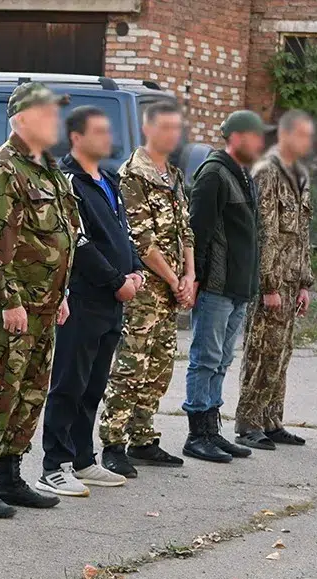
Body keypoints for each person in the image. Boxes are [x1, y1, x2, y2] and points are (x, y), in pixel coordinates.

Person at [0, 82, 78, 516]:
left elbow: (61, 234)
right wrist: (7, 300)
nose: (56, 122)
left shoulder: (49, 168)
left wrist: (61, 294)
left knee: (31, 391)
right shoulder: (3, 168)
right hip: (13, 305)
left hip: (45, 302)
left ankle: (10, 475)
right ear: (23, 119)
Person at [38, 105, 142, 496]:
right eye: (99, 131)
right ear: (77, 137)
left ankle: (83, 459)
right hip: (84, 298)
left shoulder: (109, 180)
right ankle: (54, 465)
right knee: (69, 383)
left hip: (112, 302)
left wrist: (135, 270)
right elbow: (77, 241)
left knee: (94, 384)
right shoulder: (70, 182)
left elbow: (123, 233)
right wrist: (116, 281)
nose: (108, 138)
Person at [99, 101, 195, 476]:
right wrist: (173, 280)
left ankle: (142, 438)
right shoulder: (132, 176)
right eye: (166, 127)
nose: (173, 135)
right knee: (131, 366)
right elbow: (141, 240)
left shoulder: (174, 176)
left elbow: (186, 231)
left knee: (159, 367)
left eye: (177, 128)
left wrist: (190, 277)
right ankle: (113, 443)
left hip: (172, 291)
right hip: (145, 291)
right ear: (148, 130)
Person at [183, 110, 266, 463]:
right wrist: (195, 279)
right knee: (205, 358)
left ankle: (212, 430)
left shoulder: (243, 174)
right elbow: (197, 233)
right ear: (237, 137)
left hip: (238, 285)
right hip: (216, 286)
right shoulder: (214, 173)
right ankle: (196, 434)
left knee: (221, 360)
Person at [234, 110, 315, 450]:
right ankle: (249, 421)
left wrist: (305, 282)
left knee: (281, 352)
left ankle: (271, 419)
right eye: (301, 135)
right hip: (272, 281)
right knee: (261, 350)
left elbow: (303, 235)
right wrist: (268, 284)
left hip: (292, 279)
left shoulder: (300, 174)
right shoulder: (267, 172)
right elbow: (264, 231)